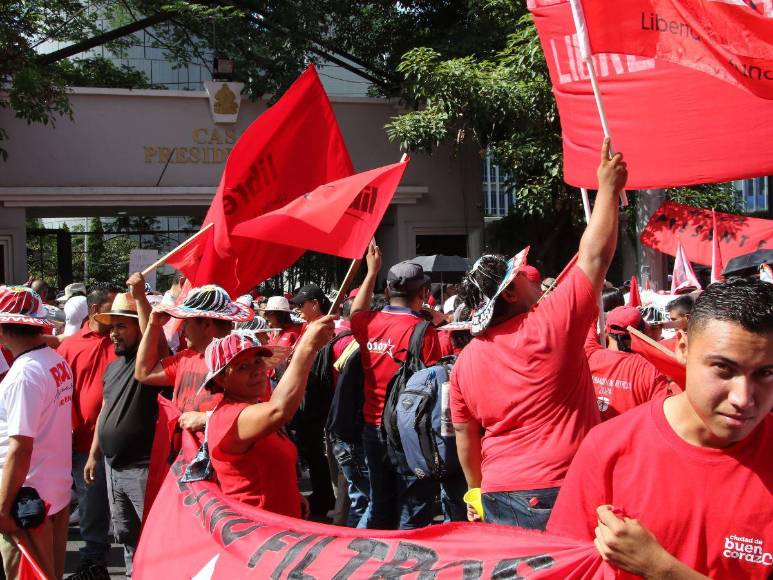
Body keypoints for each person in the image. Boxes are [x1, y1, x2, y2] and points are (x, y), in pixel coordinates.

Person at [450, 139, 627, 529]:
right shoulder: (549, 323)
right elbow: (594, 256)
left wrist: (475, 492)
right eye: (522, 277)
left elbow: (466, 437)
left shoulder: (464, 361)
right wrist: (608, 189)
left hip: (497, 492)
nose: (536, 282)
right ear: (510, 293)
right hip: (559, 485)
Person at [548, 277, 773, 578]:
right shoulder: (608, 446)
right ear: (682, 348)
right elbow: (562, 567)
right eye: (723, 369)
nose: (743, 399)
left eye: (766, 373)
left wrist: (662, 570)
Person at [350, 247, 442, 529]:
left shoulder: (366, 322)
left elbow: (356, 310)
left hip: (371, 427)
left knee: (381, 504)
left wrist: (371, 272)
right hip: (407, 432)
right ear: (424, 293)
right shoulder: (423, 331)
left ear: (388, 292)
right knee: (413, 507)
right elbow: (434, 380)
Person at [205, 320, 333, 516]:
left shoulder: (252, 408)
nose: (256, 370)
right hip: (256, 533)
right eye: (242, 367)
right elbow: (279, 410)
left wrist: (291, 494)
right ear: (221, 380)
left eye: (258, 362)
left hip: (278, 527)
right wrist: (307, 347)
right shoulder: (228, 416)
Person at [0, 286, 73, 579]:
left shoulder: (23, 374)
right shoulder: (54, 361)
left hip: (27, 505)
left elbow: (21, 447)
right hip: (52, 494)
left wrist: (3, 510)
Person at [85, 293, 160, 577]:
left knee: (152, 535)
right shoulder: (113, 367)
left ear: (139, 329)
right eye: (112, 326)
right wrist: (94, 455)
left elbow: (152, 330)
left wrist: (140, 296)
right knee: (127, 537)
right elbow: (105, 410)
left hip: (142, 468)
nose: (114, 333)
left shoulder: (150, 363)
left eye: (122, 326)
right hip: (112, 467)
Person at [57, 283, 119, 579]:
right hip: (76, 440)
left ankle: (98, 556)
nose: (119, 317)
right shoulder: (70, 345)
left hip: (112, 440)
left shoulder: (123, 342)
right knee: (86, 500)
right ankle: (93, 560)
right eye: (112, 310)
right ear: (95, 311)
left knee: (101, 503)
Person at [135, 284, 252, 434]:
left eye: (186, 322)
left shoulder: (245, 359)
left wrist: (207, 419)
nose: (182, 329)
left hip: (217, 456)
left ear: (206, 325)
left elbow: (263, 413)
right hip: (183, 454)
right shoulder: (186, 357)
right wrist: (153, 325)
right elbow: (143, 373)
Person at [585, 306, 670, 420]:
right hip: (632, 436)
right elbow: (666, 416)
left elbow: (586, 318)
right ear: (639, 333)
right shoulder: (651, 371)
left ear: (606, 330)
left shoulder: (589, 355)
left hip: (592, 436)